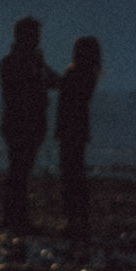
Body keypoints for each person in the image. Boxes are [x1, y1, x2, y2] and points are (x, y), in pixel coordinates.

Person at [0, 17, 60, 236]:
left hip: (26, 123)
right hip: (21, 123)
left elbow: (52, 80)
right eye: (34, 35)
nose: (37, 40)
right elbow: (28, 88)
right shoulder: (14, 63)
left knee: (19, 171)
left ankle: (14, 217)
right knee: (19, 171)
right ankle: (16, 219)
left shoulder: (27, 62)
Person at [56, 35, 103, 242]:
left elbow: (65, 91)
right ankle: (79, 219)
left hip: (70, 128)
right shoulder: (89, 74)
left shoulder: (76, 73)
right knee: (76, 173)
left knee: (71, 174)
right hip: (79, 128)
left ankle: (75, 219)